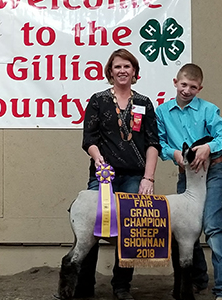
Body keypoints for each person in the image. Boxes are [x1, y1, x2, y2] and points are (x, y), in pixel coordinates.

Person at [76, 48, 161, 300]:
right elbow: (88, 138)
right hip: (103, 175)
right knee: (91, 226)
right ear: (110, 72)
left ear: (135, 72)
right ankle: (84, 285)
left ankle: (122, 286)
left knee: (131, 229)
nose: (122, 71)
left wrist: (148, 178)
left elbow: (153, 143)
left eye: (127, 66)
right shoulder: (98, 100)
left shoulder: (144, 103)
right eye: (117, 67)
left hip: (135, 176)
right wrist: (98, 158)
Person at [155, 63, 222, 300]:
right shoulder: (162, 112)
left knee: (213, 227)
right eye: (183, 85)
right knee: (185, 229)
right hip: (186, 175)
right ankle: (198, 281)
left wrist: (208, 148)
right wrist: (175, 154)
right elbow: (160, 144)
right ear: (175, 83)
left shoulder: (209, 110)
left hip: (214, 172)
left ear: (199, 88)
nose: (187, 90)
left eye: (192, 87)